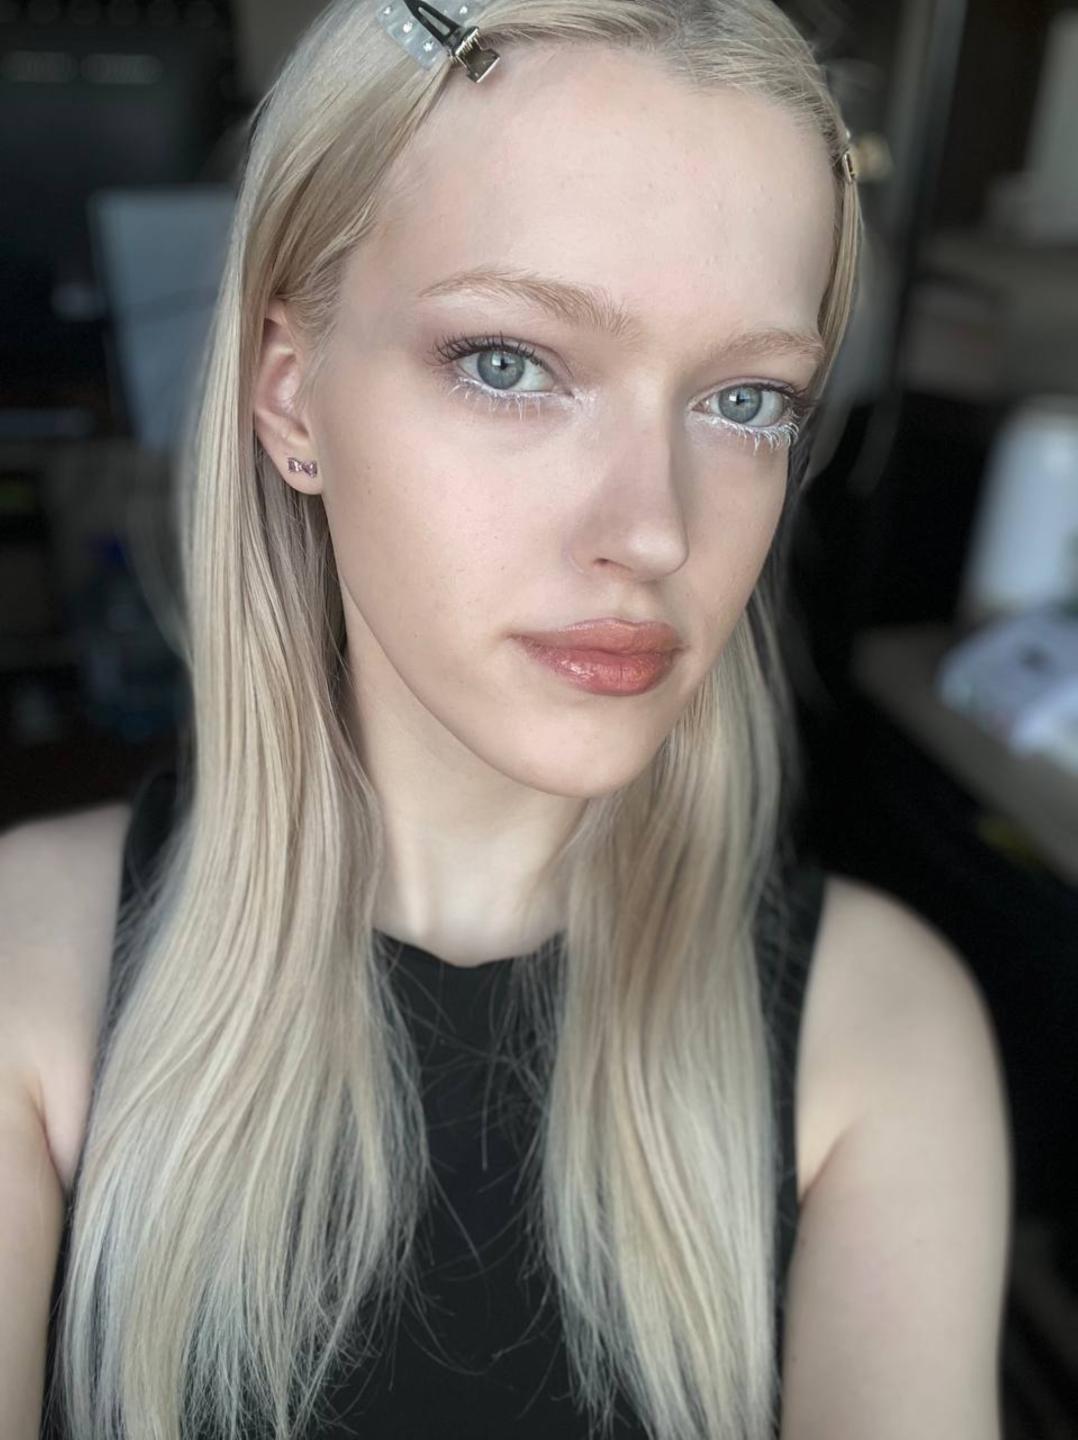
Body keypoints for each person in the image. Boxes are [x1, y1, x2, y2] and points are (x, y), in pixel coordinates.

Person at [0, 1, 1011, 1437]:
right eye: (508, 364)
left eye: (744, 400)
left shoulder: (880, 1034)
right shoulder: (26, 984)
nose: (653, 532)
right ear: (290, 398)